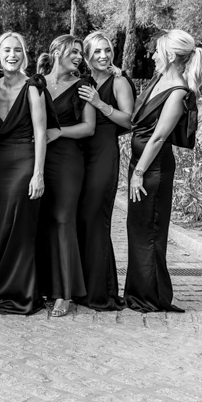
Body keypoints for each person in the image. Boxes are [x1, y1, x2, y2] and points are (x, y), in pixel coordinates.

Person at [125, 29, 202, 313]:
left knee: (150, 231)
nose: (152, 56)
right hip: (140, 165)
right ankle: (136, 293)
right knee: (136, 230)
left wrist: (139, 173)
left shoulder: (178, 91)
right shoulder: (159, 80)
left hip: (153, 169)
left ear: (171, 55)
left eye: (157, 51)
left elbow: (159, 137)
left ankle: (152, 296)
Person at [0, 32, 51, 316]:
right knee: (0, 226)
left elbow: (41, 132)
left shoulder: (33, 87)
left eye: (17, 50)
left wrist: (38, 174)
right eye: (6, 51)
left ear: (24, 55)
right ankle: (1, 288)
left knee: (20, 227)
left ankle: (23, 292)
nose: (12, 55)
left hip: (25, 159)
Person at [35, 35, 96, 317]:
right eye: (74, 52)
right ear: (57, 51)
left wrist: (59, 132)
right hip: (37, 160)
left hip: (68, 160)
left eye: (81, 54)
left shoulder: (84, 86)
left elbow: (88, 128)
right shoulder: (36, 83)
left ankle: (64, 293)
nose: (79, 58)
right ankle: (41, 286)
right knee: (40, 221)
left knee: (62, 219)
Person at [75, 31, 136, 311]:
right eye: (97, 51)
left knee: (95, 219)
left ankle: (100, 291)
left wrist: (100, 104)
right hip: (78, 155)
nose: (103, 56)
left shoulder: (119, 81)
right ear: (86, 55)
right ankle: (80, 286)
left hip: (103, 155)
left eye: (107, 51)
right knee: (79, 219)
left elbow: (130, 120)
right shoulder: (81, 81)